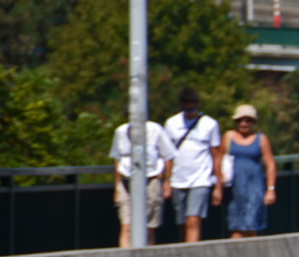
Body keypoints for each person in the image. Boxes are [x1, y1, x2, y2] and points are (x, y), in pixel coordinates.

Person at [164, 87, 222, 243]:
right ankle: (185, 251)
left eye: (192, 108)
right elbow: (167, 156)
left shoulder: (210, 124)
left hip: (200, 179)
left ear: (198, 105)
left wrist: (218, 185)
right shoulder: (171, 123)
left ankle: (193, 255)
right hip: (178, 179)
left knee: (193, 221)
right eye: (186, 109)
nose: (189, 112)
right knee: (182, 223)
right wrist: (167, 181)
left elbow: (216, 155)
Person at [110, 117, 177, 248]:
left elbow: (168, 155)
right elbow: (117, 159)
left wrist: (166, 181)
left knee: (148, 226)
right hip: (126, 180)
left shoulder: (155, 129)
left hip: (151, 179)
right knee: (127, 226)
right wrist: (117, 186)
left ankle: (147, 256)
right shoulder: (121, 131)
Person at [221, 105, 277, 238]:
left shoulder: (260, 138)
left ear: (253, 122)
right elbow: (218, 159)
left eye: (248, 120)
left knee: (251, 224)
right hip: (234, 187)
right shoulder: (228, 137)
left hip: (254, 187)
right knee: (235, 225)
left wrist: (270, 189)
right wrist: (219, 182)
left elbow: (270, 164)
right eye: (240, 120)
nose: (244, 123)